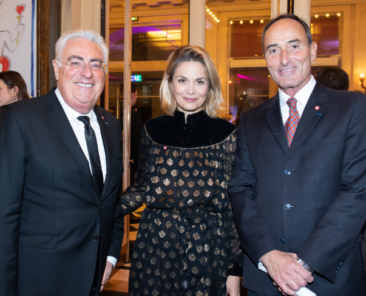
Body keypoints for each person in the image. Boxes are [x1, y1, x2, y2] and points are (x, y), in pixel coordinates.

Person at [228, 13, 366, 296]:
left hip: (330, 278)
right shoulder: (251, 119)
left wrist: (303, 264)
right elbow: (240, 189)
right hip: (264, 279)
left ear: (313, 50)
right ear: (265, 58)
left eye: (294, 46)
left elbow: (358, 191)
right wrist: (269, 256)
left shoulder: (352, 107)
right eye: (273, 50)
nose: (284, 59)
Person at [0, 29, 124, 296]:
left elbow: (110, 201)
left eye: (95, 64)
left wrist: (111, 256)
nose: (86, 73)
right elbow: (4, 215)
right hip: (39, 281)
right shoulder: (19, 120)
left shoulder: (111, 125)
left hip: (94, 278)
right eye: (75, 62)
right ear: (57, 68)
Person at [118, 45, 243, 296]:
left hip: (210, 247)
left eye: (200, 81)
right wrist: (99, 209)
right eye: (183, 80)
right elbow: (142, 187)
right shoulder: (152, 130)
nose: (190, 90)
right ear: (171, 83)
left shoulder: (226, 134)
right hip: (156, 248)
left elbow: (233, 205)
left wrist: (235, 268)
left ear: (210, 87)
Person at [120, 82, 142, 184]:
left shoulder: (116, 113)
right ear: (133, 94)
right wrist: (138, 167)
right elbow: (135, 143)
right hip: (129, 163)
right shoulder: (134, 115)